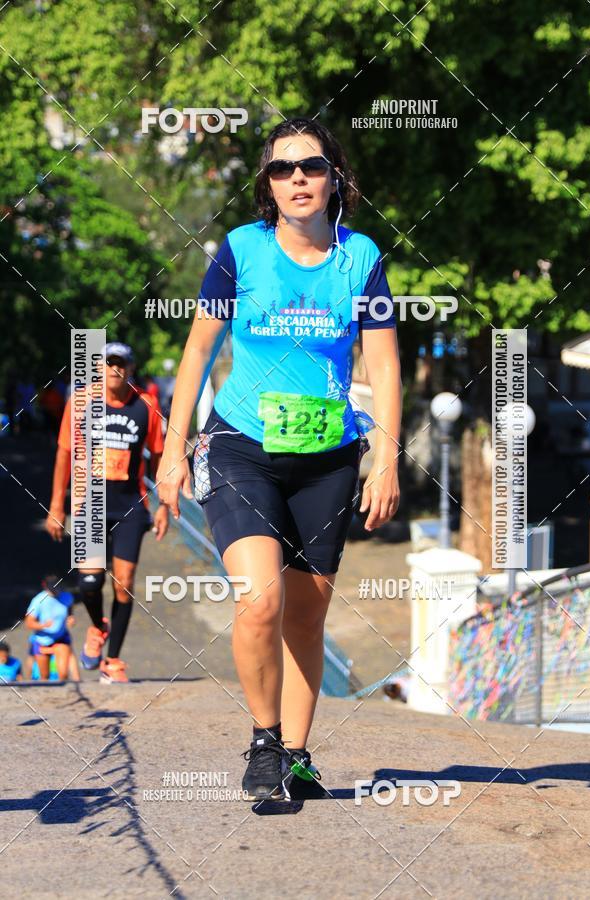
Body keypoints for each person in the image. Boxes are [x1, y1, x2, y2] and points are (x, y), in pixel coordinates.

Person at [157, 117, 402, 801]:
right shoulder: (241, 251)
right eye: (282, 169)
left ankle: (298, 755)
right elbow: (198, 353)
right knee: (260, 601)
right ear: (267, 185)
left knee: (306, 615)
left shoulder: (362, 258)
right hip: (242, 447)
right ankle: (264, 742)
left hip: (328, 458)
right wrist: (174, 453)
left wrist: (383, 457)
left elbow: (383, 365)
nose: (299, 178)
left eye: (313, 166)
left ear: (334, 178)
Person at [45, 342, 169, 683]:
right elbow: (63, 454)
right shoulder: (82, 402)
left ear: (130, 369)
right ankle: (99, 626)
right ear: (99, 367)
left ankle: (112, 660)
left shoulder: (146, 405)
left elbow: (158, 458)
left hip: (131, 504)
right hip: (90, 503)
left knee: (124, 585)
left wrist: (163, 506)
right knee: (89, 581)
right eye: (109, 363)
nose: (115, 370)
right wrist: (57, 505)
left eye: (122, 364)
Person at [24, 575, 76, 681]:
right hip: (42, 639)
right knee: (44, 676)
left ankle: (64, 695)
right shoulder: (38, 600)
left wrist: (70, 618)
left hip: (60, 637)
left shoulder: (67, 597)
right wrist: (43, 625)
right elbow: (28, 623)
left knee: (63, 674)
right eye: (52, 589)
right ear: (45, 587)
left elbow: (69, 611)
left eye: (57, 588)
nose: (55, 591)